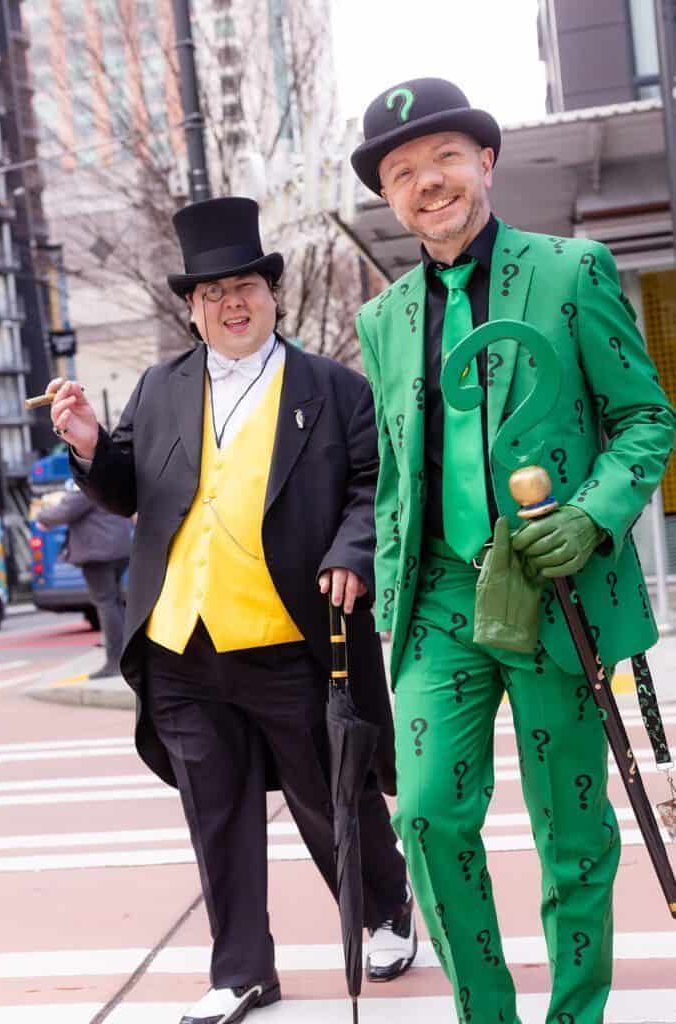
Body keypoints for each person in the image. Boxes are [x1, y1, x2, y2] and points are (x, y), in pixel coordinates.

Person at [350, 78, 675, 1024]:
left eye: (444, 157)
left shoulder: (573, 271)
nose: (428, 182)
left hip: (554, 586)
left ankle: (574, 1015)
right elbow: (400, 473)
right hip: (441, 600)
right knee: (423, 816)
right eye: (402, 172)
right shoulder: (382, 319)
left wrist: (593, 512)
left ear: (485, 162)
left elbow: (644, 419)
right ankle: (483, 1015)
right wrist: (385, 598)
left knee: (571, 828)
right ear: (388, 197)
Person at [46, 197, 416, 1024]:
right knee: (214, 814)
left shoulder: (332, 388)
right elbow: (128, 485)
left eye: (243, 285)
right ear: (191, 307)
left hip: (289, 633)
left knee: (331, 798)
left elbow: (370, 490)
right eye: (211, 294)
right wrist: (86, 443)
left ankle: (383, 909)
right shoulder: (161, 385)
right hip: (181, 642)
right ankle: (243, 968)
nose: (230, 303)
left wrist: (350, 556)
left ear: (271, 292)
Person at [35, 481, 130, 677]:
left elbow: (66, 510)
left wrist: (41, 517)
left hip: (98, 553)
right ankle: (125, 657)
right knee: (115, 603)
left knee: (106, 604)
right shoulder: (111, 480)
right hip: (118, 549)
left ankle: (114, 662)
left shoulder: (89, 483)